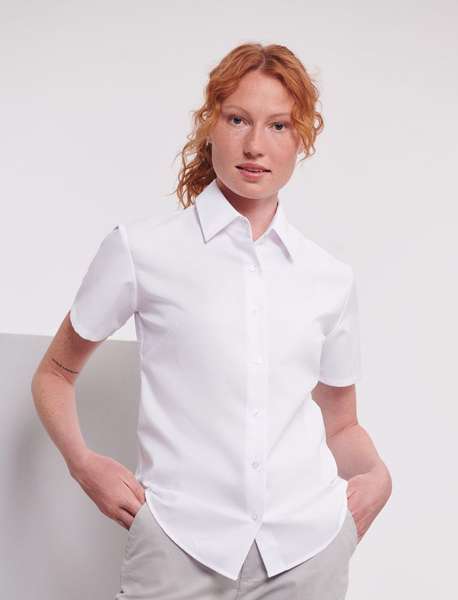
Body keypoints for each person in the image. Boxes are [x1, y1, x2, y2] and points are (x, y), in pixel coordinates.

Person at [31, 42, 392, 599]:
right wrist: (83, 464)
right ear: (210, 124)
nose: (255, 145)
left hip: (306, 552)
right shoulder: (142, 250)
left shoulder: (329, 278)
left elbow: (341, 424)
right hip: (178, 545)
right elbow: (55, 372)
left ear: (302, 139)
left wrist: (378, 477)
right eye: (238, 119)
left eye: (278, 126)